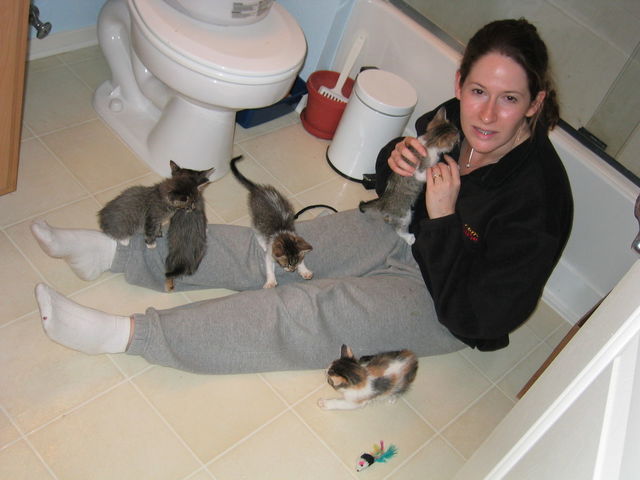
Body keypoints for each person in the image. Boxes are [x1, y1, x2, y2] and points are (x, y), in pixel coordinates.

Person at [31, 18, 573, 374]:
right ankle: (117, 254)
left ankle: (127, 336)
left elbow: (482, 316)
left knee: (306, 310)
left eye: (509, 99)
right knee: (273, 248)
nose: (486, 114)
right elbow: (391, 183)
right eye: (478, 91)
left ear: (534, 103)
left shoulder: (540, 201)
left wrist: (445, 219)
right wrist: (394, 160)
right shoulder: (452, 118)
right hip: (395, 229)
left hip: (442, 298)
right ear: (459, 83)